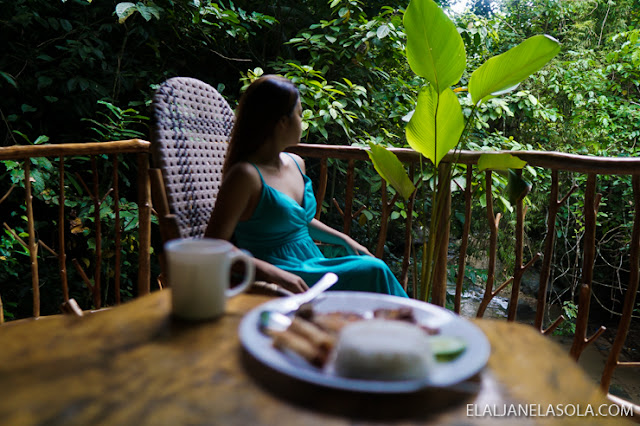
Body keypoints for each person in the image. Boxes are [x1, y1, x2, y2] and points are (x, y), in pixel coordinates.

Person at [205, 75, 408, 297]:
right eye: (300, 114)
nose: (303, 121)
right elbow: (214, 245)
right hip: (279, 271)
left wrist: (346, 240)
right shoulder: (245, 176)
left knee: (369, 264)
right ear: (282, 122)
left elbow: (300, 221)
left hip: (310, 261)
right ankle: (416, 326)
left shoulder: (295, 162)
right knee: (374, 271)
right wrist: (274, 274)